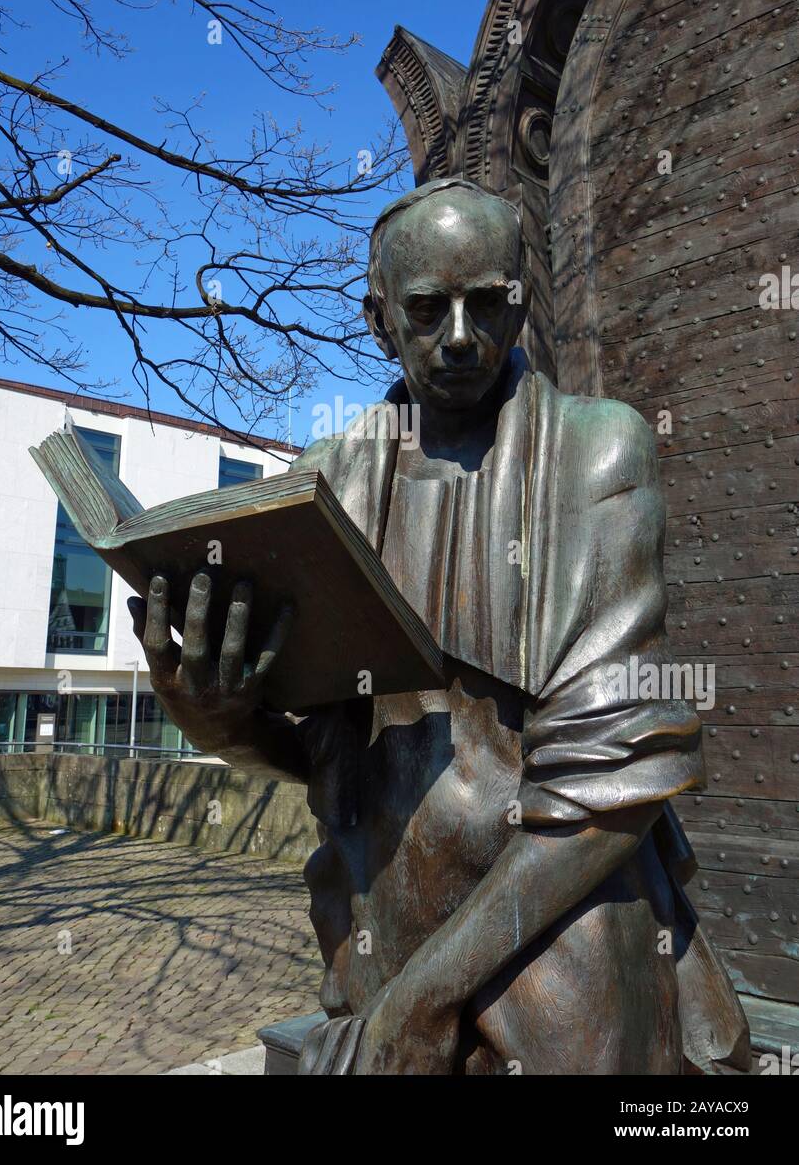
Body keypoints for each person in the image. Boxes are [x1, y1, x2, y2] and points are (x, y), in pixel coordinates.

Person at [129, 177, 748, 1076]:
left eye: (486, 303)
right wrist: (219, 717)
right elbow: (316, 753)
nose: (460, 337)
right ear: (379, 319)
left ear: (522, 302)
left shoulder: (599, 450)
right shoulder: (327, 481)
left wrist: (426, 1002)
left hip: (556, 942)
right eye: (426, 310)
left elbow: (615, 783)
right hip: (378, 928)